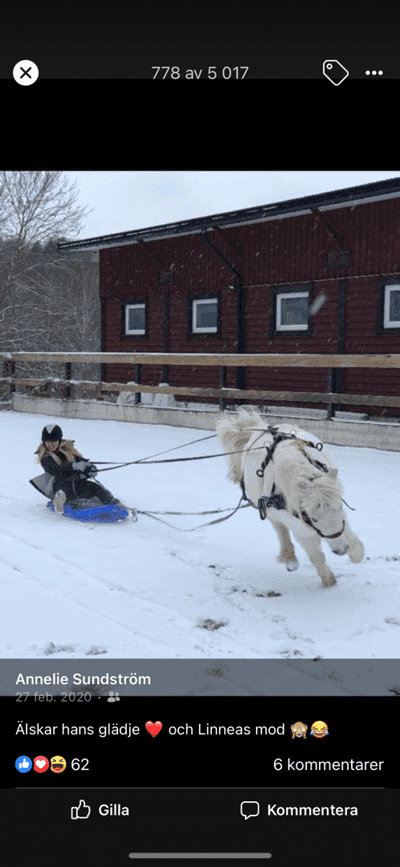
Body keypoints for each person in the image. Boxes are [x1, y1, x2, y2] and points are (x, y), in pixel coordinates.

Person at [30, 423, 127, 514]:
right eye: (48, 442)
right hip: (59, 484)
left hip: (77, 482)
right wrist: (73, 466)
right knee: (66, 491)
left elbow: (81, 461)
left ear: (59, 440)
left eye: (54, 441)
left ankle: (113, 503)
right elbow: (54, 469)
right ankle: (62, 501)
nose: (51, 445)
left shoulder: (68, 450)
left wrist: (90, 468)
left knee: (95, 487)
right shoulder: (45, 457)